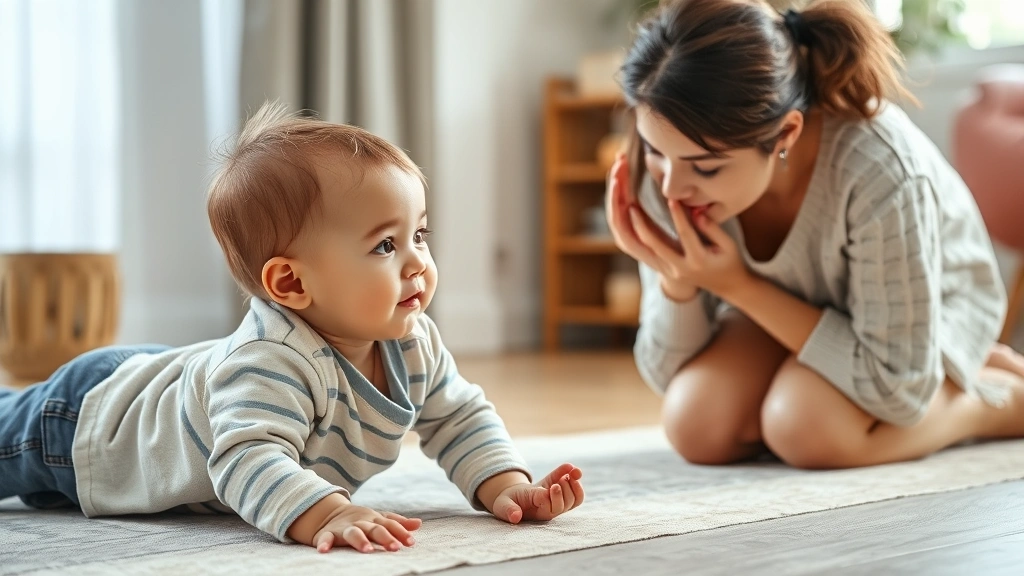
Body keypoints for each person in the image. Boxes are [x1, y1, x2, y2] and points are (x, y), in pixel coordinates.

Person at [0, 102, 584, 553]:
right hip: (91, 423)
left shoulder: (412, 339)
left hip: (177, 383)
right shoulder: (271, 360)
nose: (416, 262)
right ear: (291, 285)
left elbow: (458, 415)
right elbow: (246, 457)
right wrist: (326, 512)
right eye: (385, 244)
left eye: (419, 235)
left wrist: (505, 485)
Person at [606, 0, 1024, 469]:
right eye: (655, 151)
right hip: (794, 302)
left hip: (919, 313)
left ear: (785, 134)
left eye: (707, 167)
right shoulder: (669, 163)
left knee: (806, 428)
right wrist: (677, 283)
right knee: (694, 426)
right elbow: (669, 374)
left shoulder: (878, 167)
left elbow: (898, 388)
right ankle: (810, 384)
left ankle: (994, 403)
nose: (672, 188)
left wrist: (736, 285)